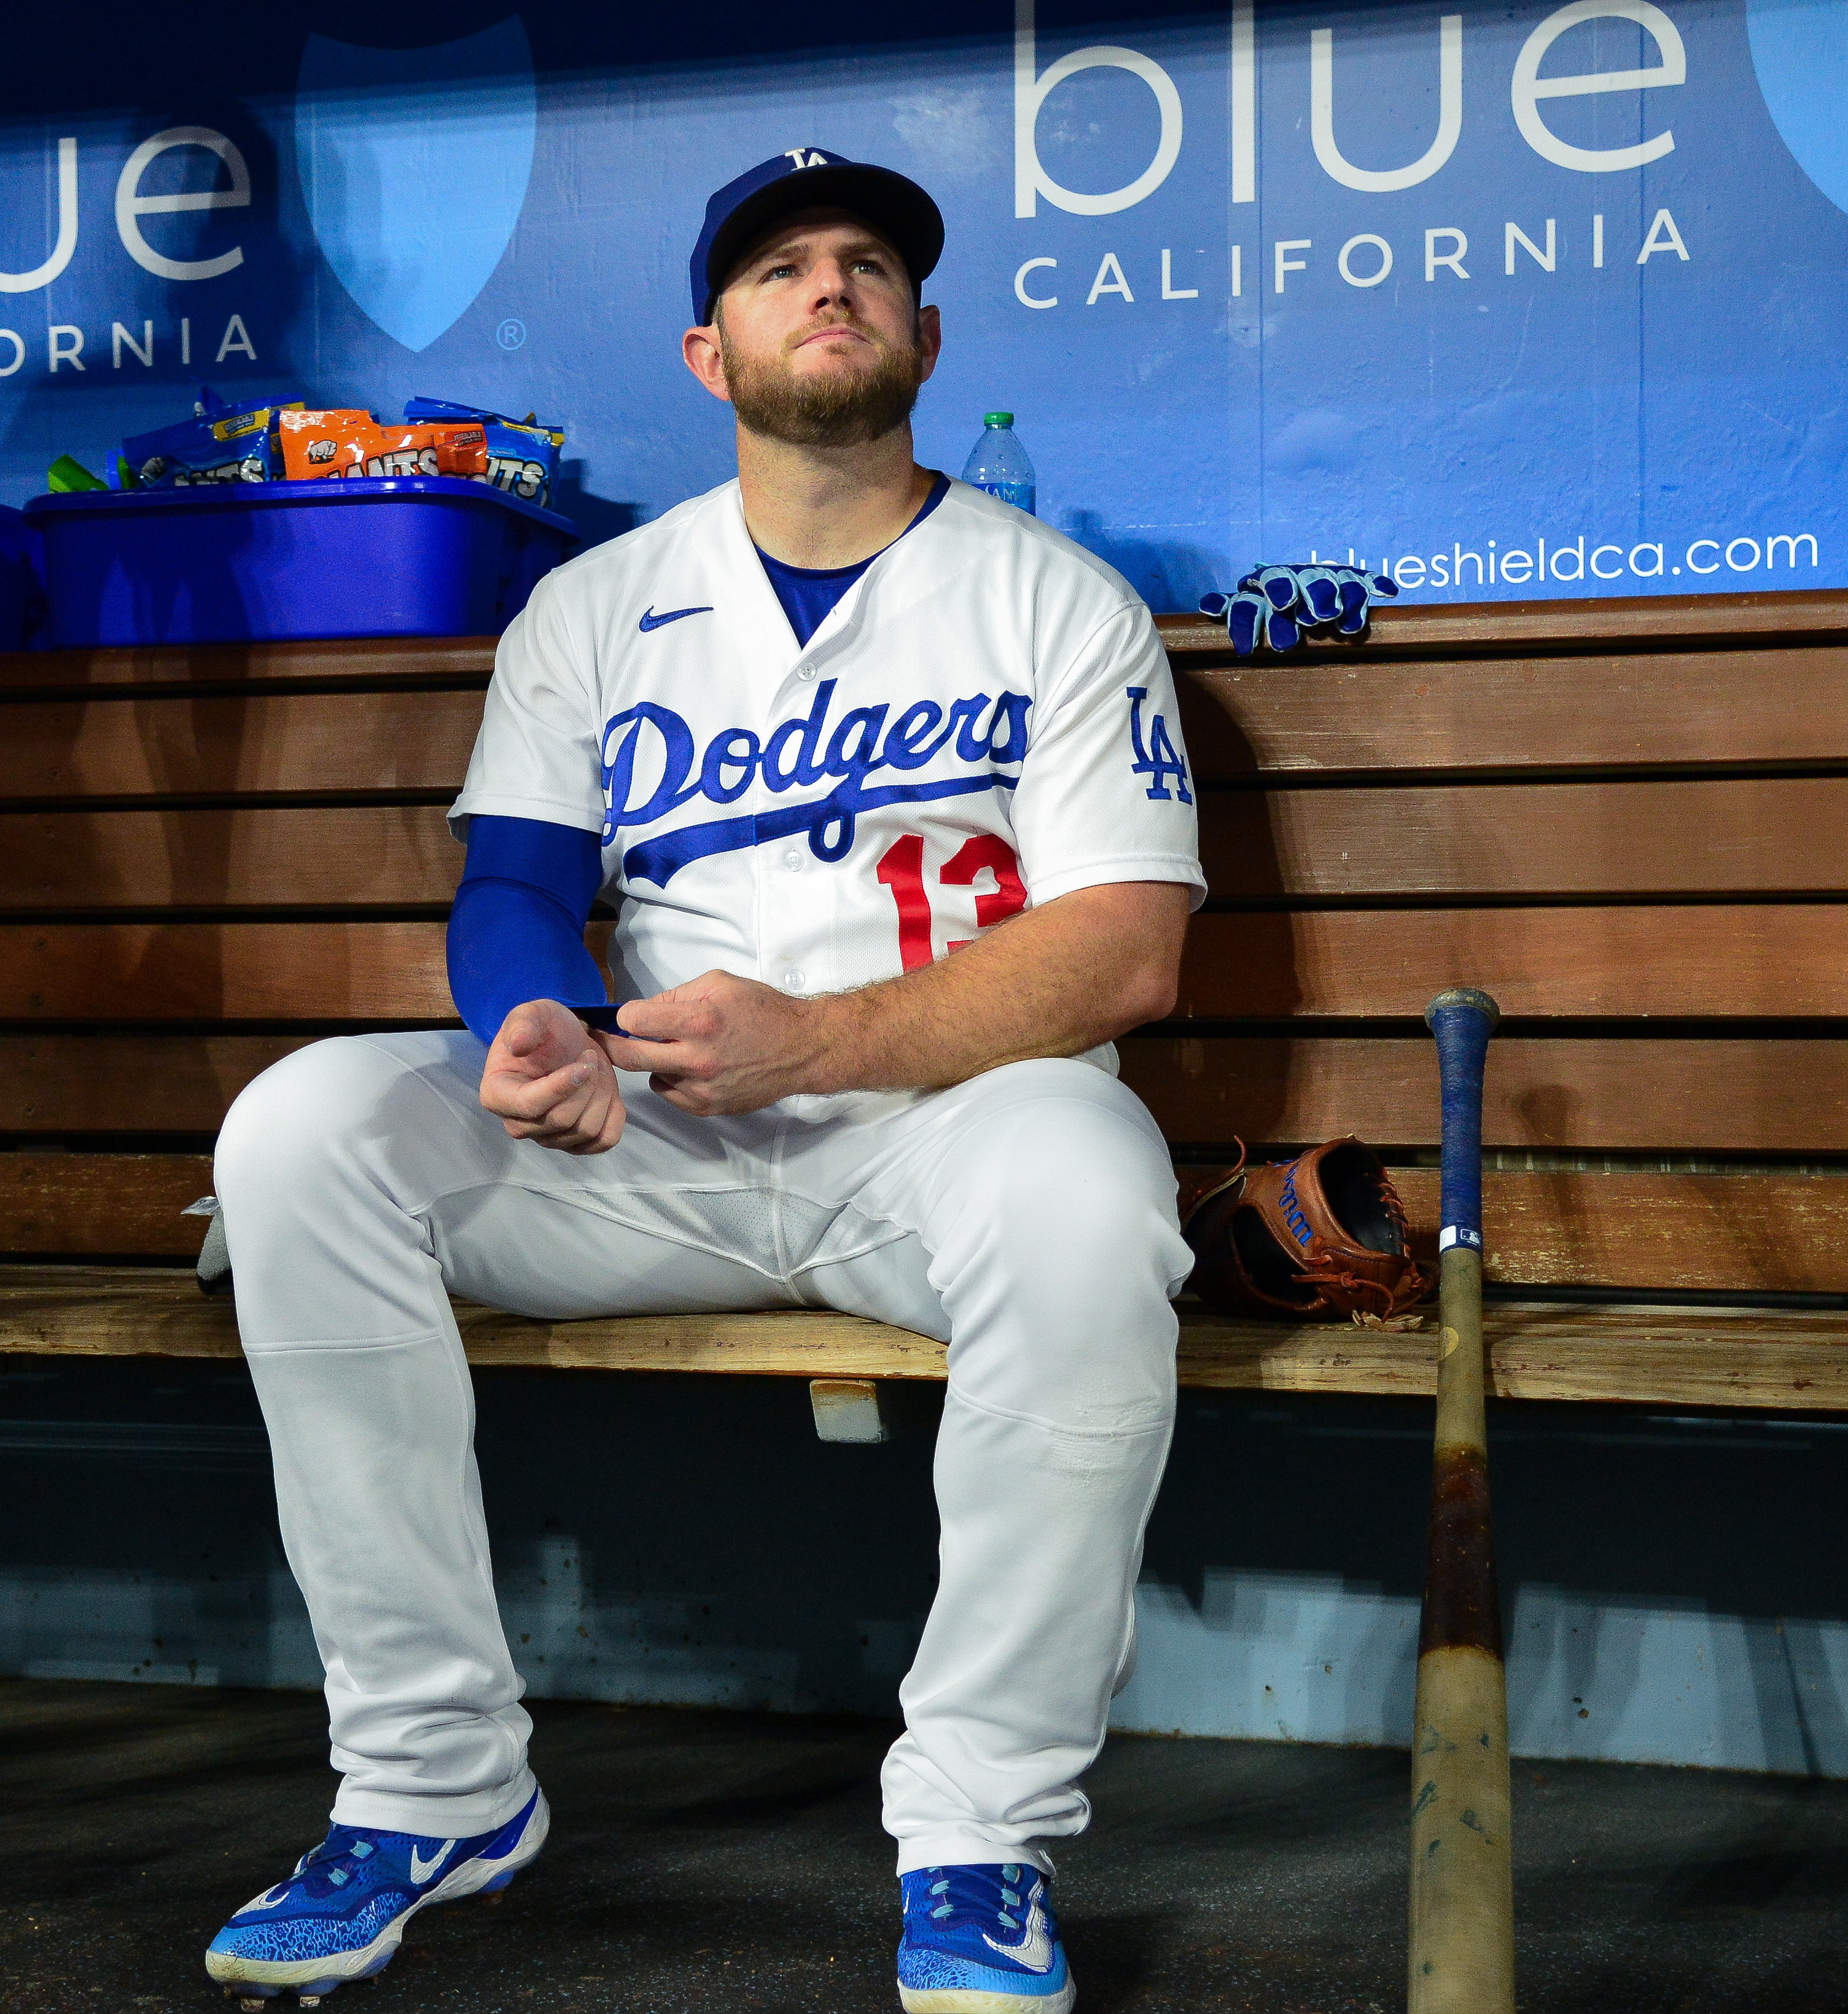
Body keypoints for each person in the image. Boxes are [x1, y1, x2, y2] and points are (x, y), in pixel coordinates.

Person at [201, 149, 1203, 2013]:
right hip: (649, 1142)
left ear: (925, 330)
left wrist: (824, 1040)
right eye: (779, 270)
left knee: (1090, 1176)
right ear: (704, 347)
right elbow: (512, 880)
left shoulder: (1056, 601)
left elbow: (1128, 950)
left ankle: (980, 1833)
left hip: (944, 1139)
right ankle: (431, 1788)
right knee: (304, 1135)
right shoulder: (596, 603)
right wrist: (533, 1022)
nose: (829, 288)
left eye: (869, 264)